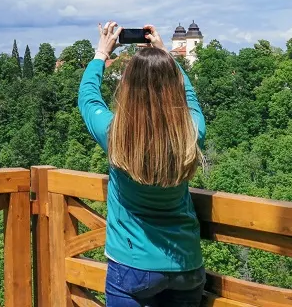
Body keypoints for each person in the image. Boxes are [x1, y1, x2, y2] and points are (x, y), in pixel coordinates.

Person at [78, 22, 207, 307]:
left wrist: (101, 53)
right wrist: (165, 54)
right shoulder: (190, 131)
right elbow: (191, 99)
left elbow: (88, 99)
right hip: (185, 262)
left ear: (127, 86)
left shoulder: (116, 133)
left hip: (131, 263)